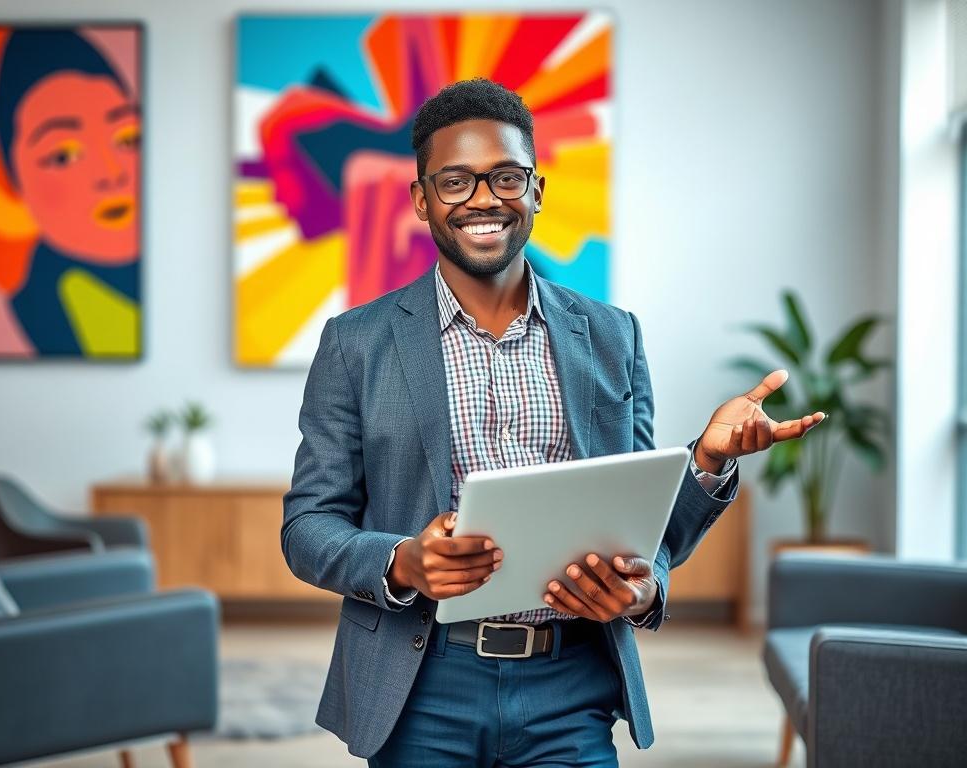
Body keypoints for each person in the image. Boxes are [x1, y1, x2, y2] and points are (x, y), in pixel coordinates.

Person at [282, 78, 824, 766]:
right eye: (455, 182)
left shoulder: (611, 336)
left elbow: (644, 530)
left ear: (536, 191)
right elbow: (307, 526)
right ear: (422, 201)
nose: (483, 199)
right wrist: (404, 561)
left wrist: (703, 467)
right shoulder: (356, 343)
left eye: (505, 177)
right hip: (422, 685)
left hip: (571, 686)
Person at [0, 28, 140, 358]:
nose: (112, 175)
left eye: (127, 140)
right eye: (63, 156)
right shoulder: (54, 299)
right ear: (11, 181)